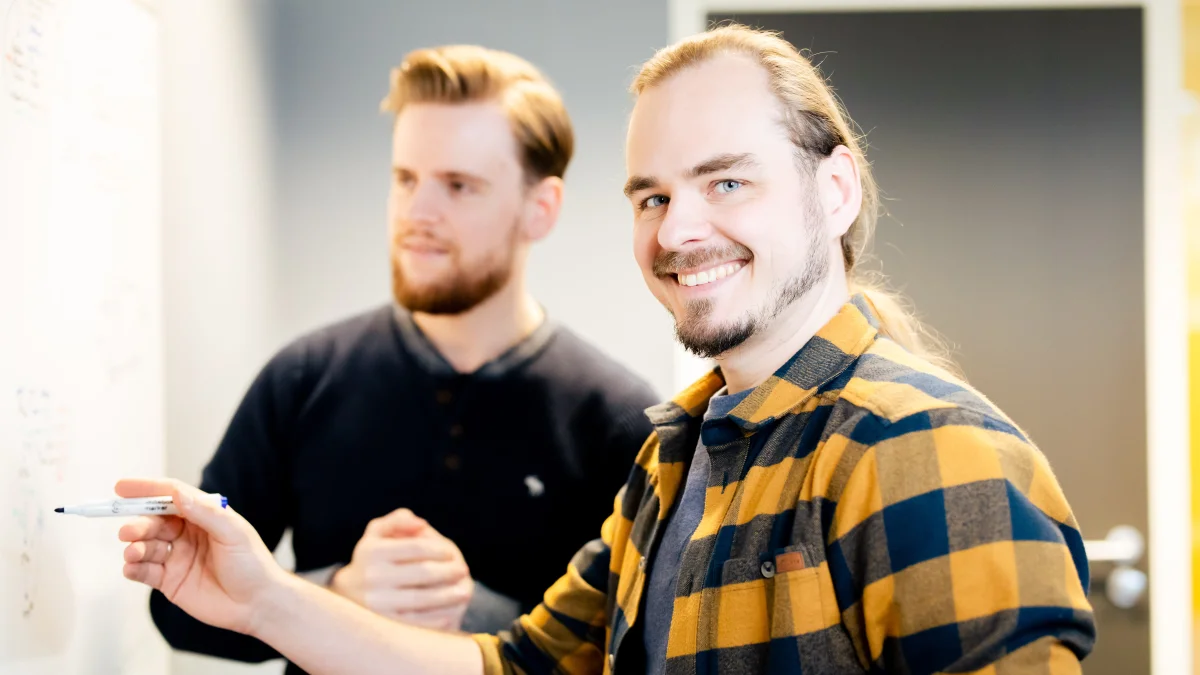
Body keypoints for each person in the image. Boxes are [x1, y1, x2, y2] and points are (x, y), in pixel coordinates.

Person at [120, 25, 1095, 674]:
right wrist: (265, 598)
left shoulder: (932, 452)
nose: (676, 232)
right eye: (653, 197)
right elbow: (519, 666)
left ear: (834, 191)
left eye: (726, 183)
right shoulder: (677, 459)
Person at [147, 44, 659, 674]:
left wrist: (473, 617)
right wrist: (334, 596)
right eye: (405, 179)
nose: (418, 212)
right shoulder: (302, 379)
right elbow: (176, 608)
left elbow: (635, 651)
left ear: (540, 209)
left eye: (458, 186)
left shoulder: (620, 424)